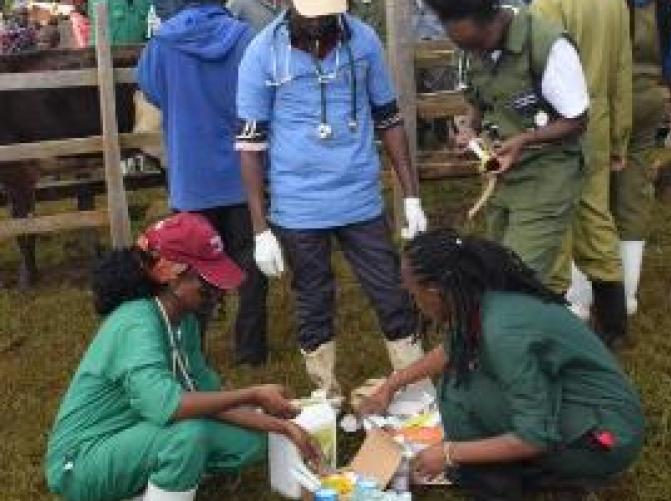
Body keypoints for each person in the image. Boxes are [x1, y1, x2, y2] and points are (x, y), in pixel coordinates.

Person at [45, 213, 320, 501]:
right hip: (80, 462)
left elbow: (203, 396)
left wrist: (280, 426)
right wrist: (252, 393)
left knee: (250, 441)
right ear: (171, 275)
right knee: (186, 437)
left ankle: (157, 481)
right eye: (207, 282)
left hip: (137, 432)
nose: (217, 293)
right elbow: (169, 406)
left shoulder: (183, 318)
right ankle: (160, 480)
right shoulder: (136, 322)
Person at [359, 229, 645, 501]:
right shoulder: (483, 297)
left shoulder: (503, 331)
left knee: (462, 394)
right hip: (591, 408)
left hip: (606, 438)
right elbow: (450, 349)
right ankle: (505, 465)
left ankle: (525, 476)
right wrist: (391, 386)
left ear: (435, 292)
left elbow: (534, 437)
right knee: (461, 381)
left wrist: (449, 453)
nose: (412, 300)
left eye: (413, 292)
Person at [235, 0, 428, 399]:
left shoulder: (364, 40)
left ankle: (414, 387)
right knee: (313, 298)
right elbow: (250, 143)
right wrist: (259, 229)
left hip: (360, 197)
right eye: (312, 14)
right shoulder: (261, 53)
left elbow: (388, 117)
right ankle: (327, 394)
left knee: (391, 291)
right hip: (297, 205)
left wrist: (412, 195)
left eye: (329, 13)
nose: (321, 23)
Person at [137, 0, 270, 366]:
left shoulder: (162, 42)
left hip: (190, 175)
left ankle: (193, 347)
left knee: (190, 264)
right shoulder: (245, 38)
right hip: (242, 172)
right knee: (251, 262)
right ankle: (251, 349)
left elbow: (151, 92)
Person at [426, 0, 588, 292]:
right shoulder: (471, 46)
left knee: (515, 281)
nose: (474, 54)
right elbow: (479, 101)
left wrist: (526, 139)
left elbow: (577, 119)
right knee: (493, 270)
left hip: (547, 177)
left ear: (495, 19)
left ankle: (545, 330)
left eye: (478, 44)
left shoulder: (547, 46)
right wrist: (468, 128)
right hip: (504, 180)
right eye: (465, 47)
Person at [529, 0, 632, 346]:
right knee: (596, 216)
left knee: (554, 222)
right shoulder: (616, 3)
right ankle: (614, 325)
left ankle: (556, 331)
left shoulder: (546, 4)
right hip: (598, 125)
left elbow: (538, 68)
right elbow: (621, 70)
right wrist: (620, 136)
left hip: (558, 128)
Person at [610, 0, 671, 316]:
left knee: (594, 193)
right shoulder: (664, 6)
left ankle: (582, 296)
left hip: (612, 100)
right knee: (634, 195)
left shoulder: (609, 6)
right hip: (649, 100)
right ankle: (627, 296)